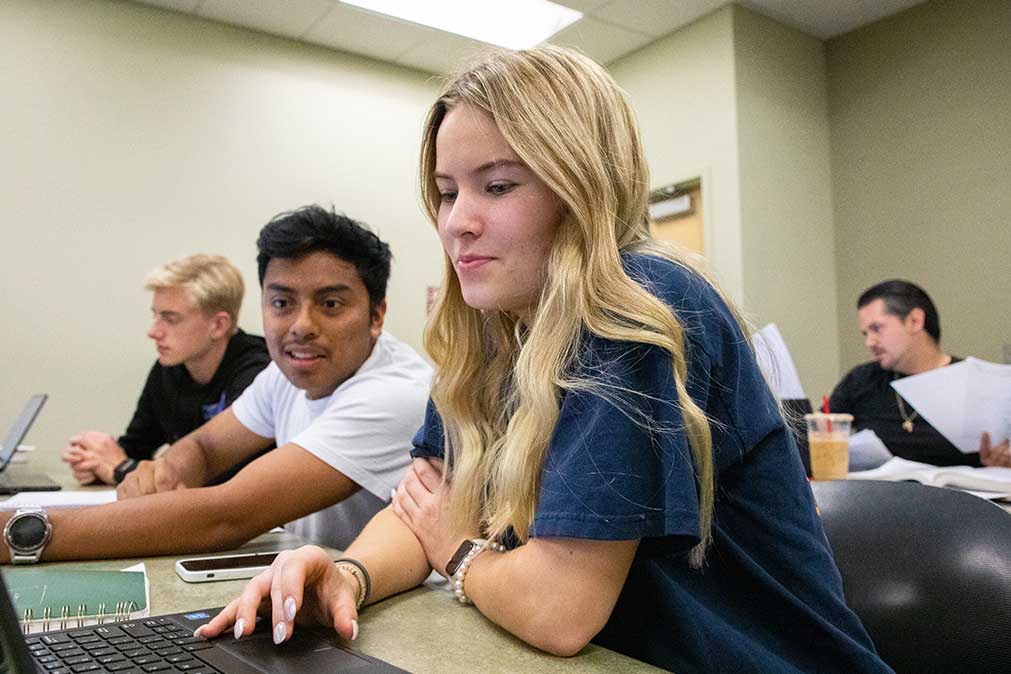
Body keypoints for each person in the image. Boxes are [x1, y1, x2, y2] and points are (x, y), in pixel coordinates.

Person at [198, 47, 892, 674]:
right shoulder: (490, 335)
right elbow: (423, 507)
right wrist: (347, 578)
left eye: (497, 186)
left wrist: (460, 551)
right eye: (446, 191)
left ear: (582, 186)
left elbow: (556, 610)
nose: (455, 221)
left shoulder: (635, 308)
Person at [0, 206, 431, 561]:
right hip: (311, 574)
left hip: (401, 612)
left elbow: (228, 515)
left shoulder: (395, 394)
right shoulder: (286, 371)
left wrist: (20, 532)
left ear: (376, 315)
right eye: (282, 303)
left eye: (330, 304)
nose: (301, 326)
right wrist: (166, 473)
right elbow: (204, 448)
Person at [62, 254, 271, 486]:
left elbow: (225, 476)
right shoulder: (168, 369)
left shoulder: (259, 372)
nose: (153, 332)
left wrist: (120, 470)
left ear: (218, 325)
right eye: (156, 315)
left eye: (170, 319)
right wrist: (95, 463)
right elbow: (136, 447)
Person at [830, 280, 1009, 467]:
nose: (870, 342)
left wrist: (1002, 460)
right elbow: (817, 433)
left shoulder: (978, 382)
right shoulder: (860, 380)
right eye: (865, 334)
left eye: (877, 329)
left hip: (962, 494)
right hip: (879, 494)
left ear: (915, 321)